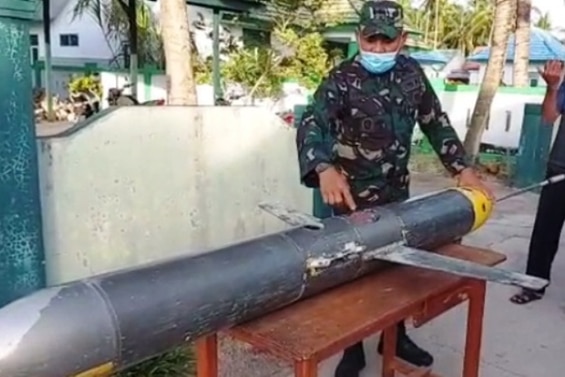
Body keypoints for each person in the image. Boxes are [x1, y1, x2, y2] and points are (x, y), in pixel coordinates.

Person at [295, 1, 492, 376]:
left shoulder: (412, 75)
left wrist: (461, 169)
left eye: (388, 41)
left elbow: (436, 123)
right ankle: (353, 347)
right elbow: (312, 125)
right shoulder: (342, 79)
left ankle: (394, 335)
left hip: (396, 193)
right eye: (372, 40)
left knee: (395, 268)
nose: (379, 49)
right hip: (351, 196)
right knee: (354, 270)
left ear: (402, 39)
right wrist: (323, 168)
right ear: (359, 37)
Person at [510, 60, 565, 305]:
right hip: (560, 167)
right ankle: (534, 284)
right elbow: (549, 116)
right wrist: (552, 87)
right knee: (545, 231)